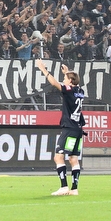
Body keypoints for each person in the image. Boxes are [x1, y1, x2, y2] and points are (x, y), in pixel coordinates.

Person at [36, 59, 85, 196]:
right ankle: (74, 189)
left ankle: (64, 186)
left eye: (65, 78)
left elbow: (54, 83)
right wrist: (68, 72)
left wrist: (43, 70)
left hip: (69, 127)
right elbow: (75, 82)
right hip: (78, 129)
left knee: (58, 157)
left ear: (70, 81)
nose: (64, 80)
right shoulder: (80, 91)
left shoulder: (69, 90)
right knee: (73, 158)